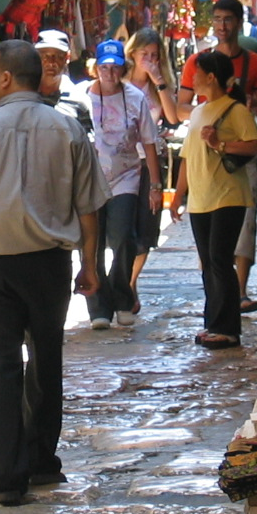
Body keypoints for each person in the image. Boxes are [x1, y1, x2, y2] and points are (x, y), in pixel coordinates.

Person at [0, 40, 109, 506]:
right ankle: (42, 463)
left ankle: (7, 477)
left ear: (6, 77)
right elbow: (89, 209)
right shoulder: (68, 130)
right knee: (46, 362)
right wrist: (89, 267)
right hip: (49, 266)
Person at [176, 0, 257, 314]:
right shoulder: (197, 63)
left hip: (238, 157)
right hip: (204, 159)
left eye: (227, 19)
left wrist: (247, 106)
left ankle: (238, 292)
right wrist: (209, 109)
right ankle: (215, 304)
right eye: (217, 19)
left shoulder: (255, 63)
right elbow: (180, 108)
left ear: (239, 22)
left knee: (243, 227)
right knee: (210, 247)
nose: (222, 25)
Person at [169, 51, 257, 350]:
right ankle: (213, 323)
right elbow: (186, 158)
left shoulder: (235, 110)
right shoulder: (198, 111)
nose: (192, 78)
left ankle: (228, 329)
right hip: (200, 198)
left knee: (221, 261)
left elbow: (253, 144)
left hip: (227, 196)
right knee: (208, 263)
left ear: (211, 77)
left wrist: (219, 143)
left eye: (197, 73)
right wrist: (178, 195)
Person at [78, 39, 161, 330]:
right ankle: (98, 306)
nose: (110, 73)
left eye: (115, 68)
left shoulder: (135, 97)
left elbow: (149, 142)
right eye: (104, 67)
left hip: (126, 177)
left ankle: (122, 296)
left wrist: (156, 186)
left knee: (123, 237)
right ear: (95, 68)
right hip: (89, 180)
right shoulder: (82, 97)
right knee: (92, 242)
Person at [124, 28, 177, 301]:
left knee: (146, 226)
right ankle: (121, 281)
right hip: (122, 164)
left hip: (149, 163)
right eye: (144, 54)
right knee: (122, 226)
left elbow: (172, 116)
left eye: (154, 56)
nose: (149, 60)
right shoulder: (120, 80)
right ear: (133, 53)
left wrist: (159, 82)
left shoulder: (160, 85)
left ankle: (131, 283)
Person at [35, 29, 93, 137]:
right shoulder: (24, 95)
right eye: (45, 56)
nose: (51, 62)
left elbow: (88, 146)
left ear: (67, 58)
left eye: (58, 56)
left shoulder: (78, 100)